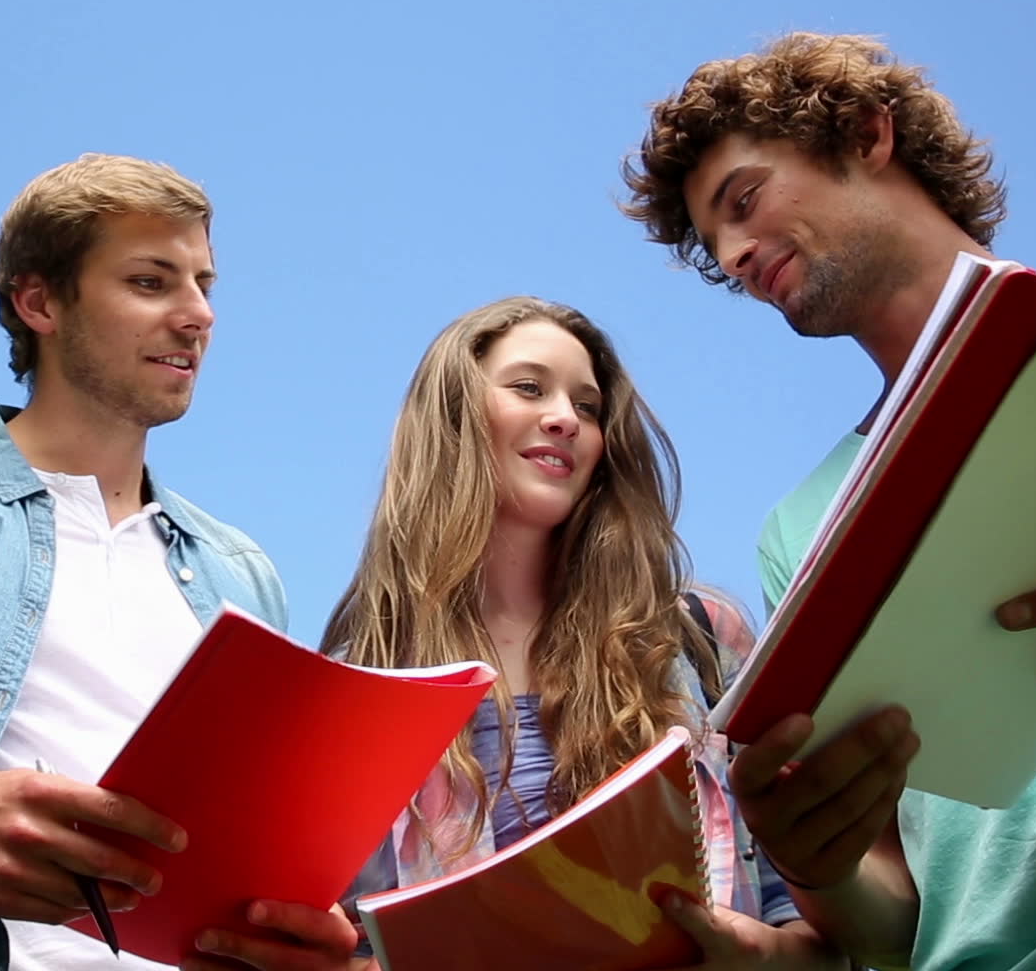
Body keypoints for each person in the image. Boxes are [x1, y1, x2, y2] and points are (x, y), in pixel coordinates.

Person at [623, 31, 1036, 969]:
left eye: (744, 201)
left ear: (867, 134)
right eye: (717, 249)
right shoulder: (797, 532)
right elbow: (893, 922)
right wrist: (818, 866)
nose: (736, 253)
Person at [0, 153, 363, 971]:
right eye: (150, 282)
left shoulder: (241, 573)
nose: (197, 315)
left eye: (204, 284)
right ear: (38, 302)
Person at [313, 296, 843, 970]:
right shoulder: (355, 691)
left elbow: (816, 929)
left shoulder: (700, 638)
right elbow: (342, 942)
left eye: (587, 407)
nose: (565, 418)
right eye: (529, 388)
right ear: (451, 415)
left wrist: (759, 956)